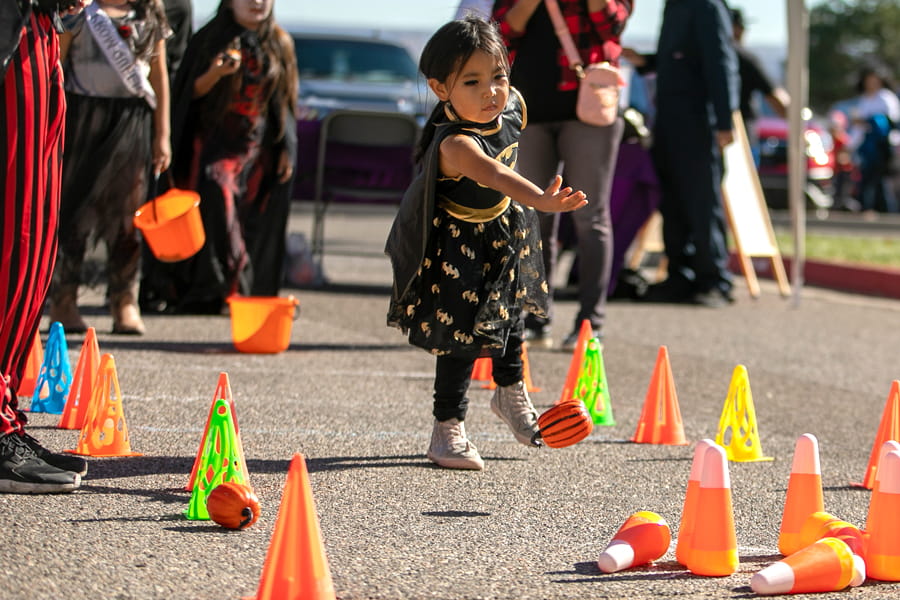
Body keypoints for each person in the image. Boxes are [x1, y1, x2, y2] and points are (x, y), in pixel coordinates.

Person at [385, 17, 587, 470]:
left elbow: (514, 118)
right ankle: (447, 428)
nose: (491, 92)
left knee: (511, 315)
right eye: (472, 82)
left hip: (503, 229)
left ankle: (510, 394)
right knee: (460, 339)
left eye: (498, 76)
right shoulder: (455, 145)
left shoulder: (513, 105)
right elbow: (494, 173)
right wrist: (540, 199)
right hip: (458, 245)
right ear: (441, 88)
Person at [139, 0, 298, 315]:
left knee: (248, 213)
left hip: (255, 146)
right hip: (214, 142)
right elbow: (187, 92)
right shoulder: (210, 38)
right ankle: (214, 284)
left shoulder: (279, 42)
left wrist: (286, 148)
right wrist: (216, 73)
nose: (257, 3)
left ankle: (237, 288)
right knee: (216, 192)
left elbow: (285, 100)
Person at [493, 0, 633, 350]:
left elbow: (612, 25)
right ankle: (536, 319)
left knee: (590, 215)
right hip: (530, 105)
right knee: (536, 215)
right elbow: (503, 31)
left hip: (590, 106)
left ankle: (590, 323)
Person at [1, 0, 92, 494]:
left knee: (34, 243)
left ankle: (6, 417)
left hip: (36, 27)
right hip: (12, 33)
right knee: (13, 241)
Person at [48, 0, 172, 335]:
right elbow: (58, 64)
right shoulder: (80, 9)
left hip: (132, 121)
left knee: (128, 218)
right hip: (84, 120)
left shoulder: (149, 12)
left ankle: (124, 300)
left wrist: (162, 135)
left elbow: (159, 75)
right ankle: (64, 300)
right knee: (76, 214)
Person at [624, 0, 739, 307]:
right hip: (668, 119)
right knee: (672, 199)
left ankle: (713, 279)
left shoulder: (706, 6)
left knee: (702, 201)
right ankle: (680, 276)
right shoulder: (674, 6)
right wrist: (646, 61)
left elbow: (720, 62)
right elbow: (679, 59)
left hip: (698, 120)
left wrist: (724, 119)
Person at [729, 7, 788, 165]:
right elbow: (776, 97)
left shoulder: (701, 56)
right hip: (741, 136)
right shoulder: (744, 58)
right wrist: (797, 122)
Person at [850, 66, 899, 214]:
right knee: (869, 178)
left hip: (883, 146)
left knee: (881, 179)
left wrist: (869, 121)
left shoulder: (886, 97)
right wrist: (851, 144)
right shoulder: (864, 99)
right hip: (868, 147)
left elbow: (891, 122)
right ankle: (870, 209)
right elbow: (858, 128)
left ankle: (887, 212)